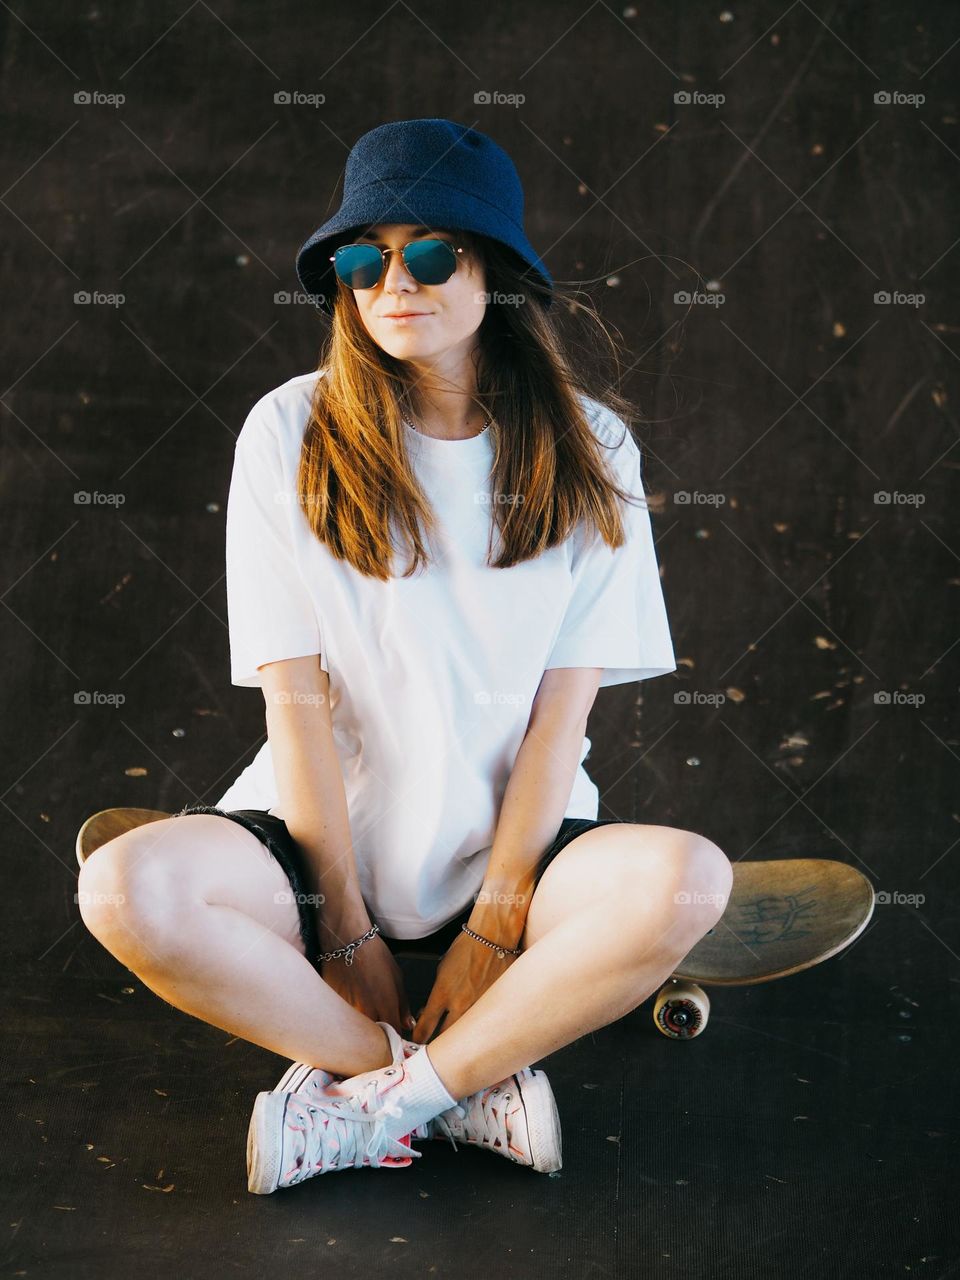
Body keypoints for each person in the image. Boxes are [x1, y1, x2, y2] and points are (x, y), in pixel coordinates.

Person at [77, 118, 733, 1194]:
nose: (395, 280)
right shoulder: (287, 430)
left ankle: (388, 1105)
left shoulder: (592, 446)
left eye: (432, 253)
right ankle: (451, 1078)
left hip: (524, 840)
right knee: (122, 891)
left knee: (685, 882)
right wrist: (340, 925)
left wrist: (498, 920)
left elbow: (561, 719)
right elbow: (294, 702)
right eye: (363, 257)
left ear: (500, 274)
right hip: (313, 831)